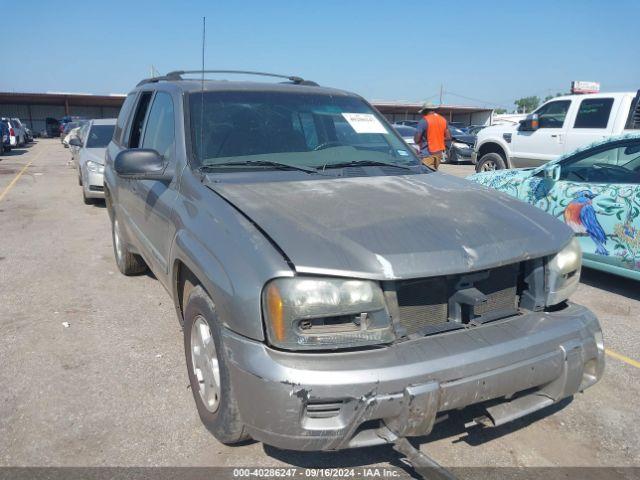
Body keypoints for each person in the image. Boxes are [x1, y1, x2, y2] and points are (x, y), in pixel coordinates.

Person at [413, 105, 450, 170]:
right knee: (433, 173)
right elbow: (448, 137)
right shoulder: (443, 120)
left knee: (424, 175)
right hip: (439, 153)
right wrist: (437, 139)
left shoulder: (424, 120)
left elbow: (416, 139)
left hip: (427, 153)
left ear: (425, 111)